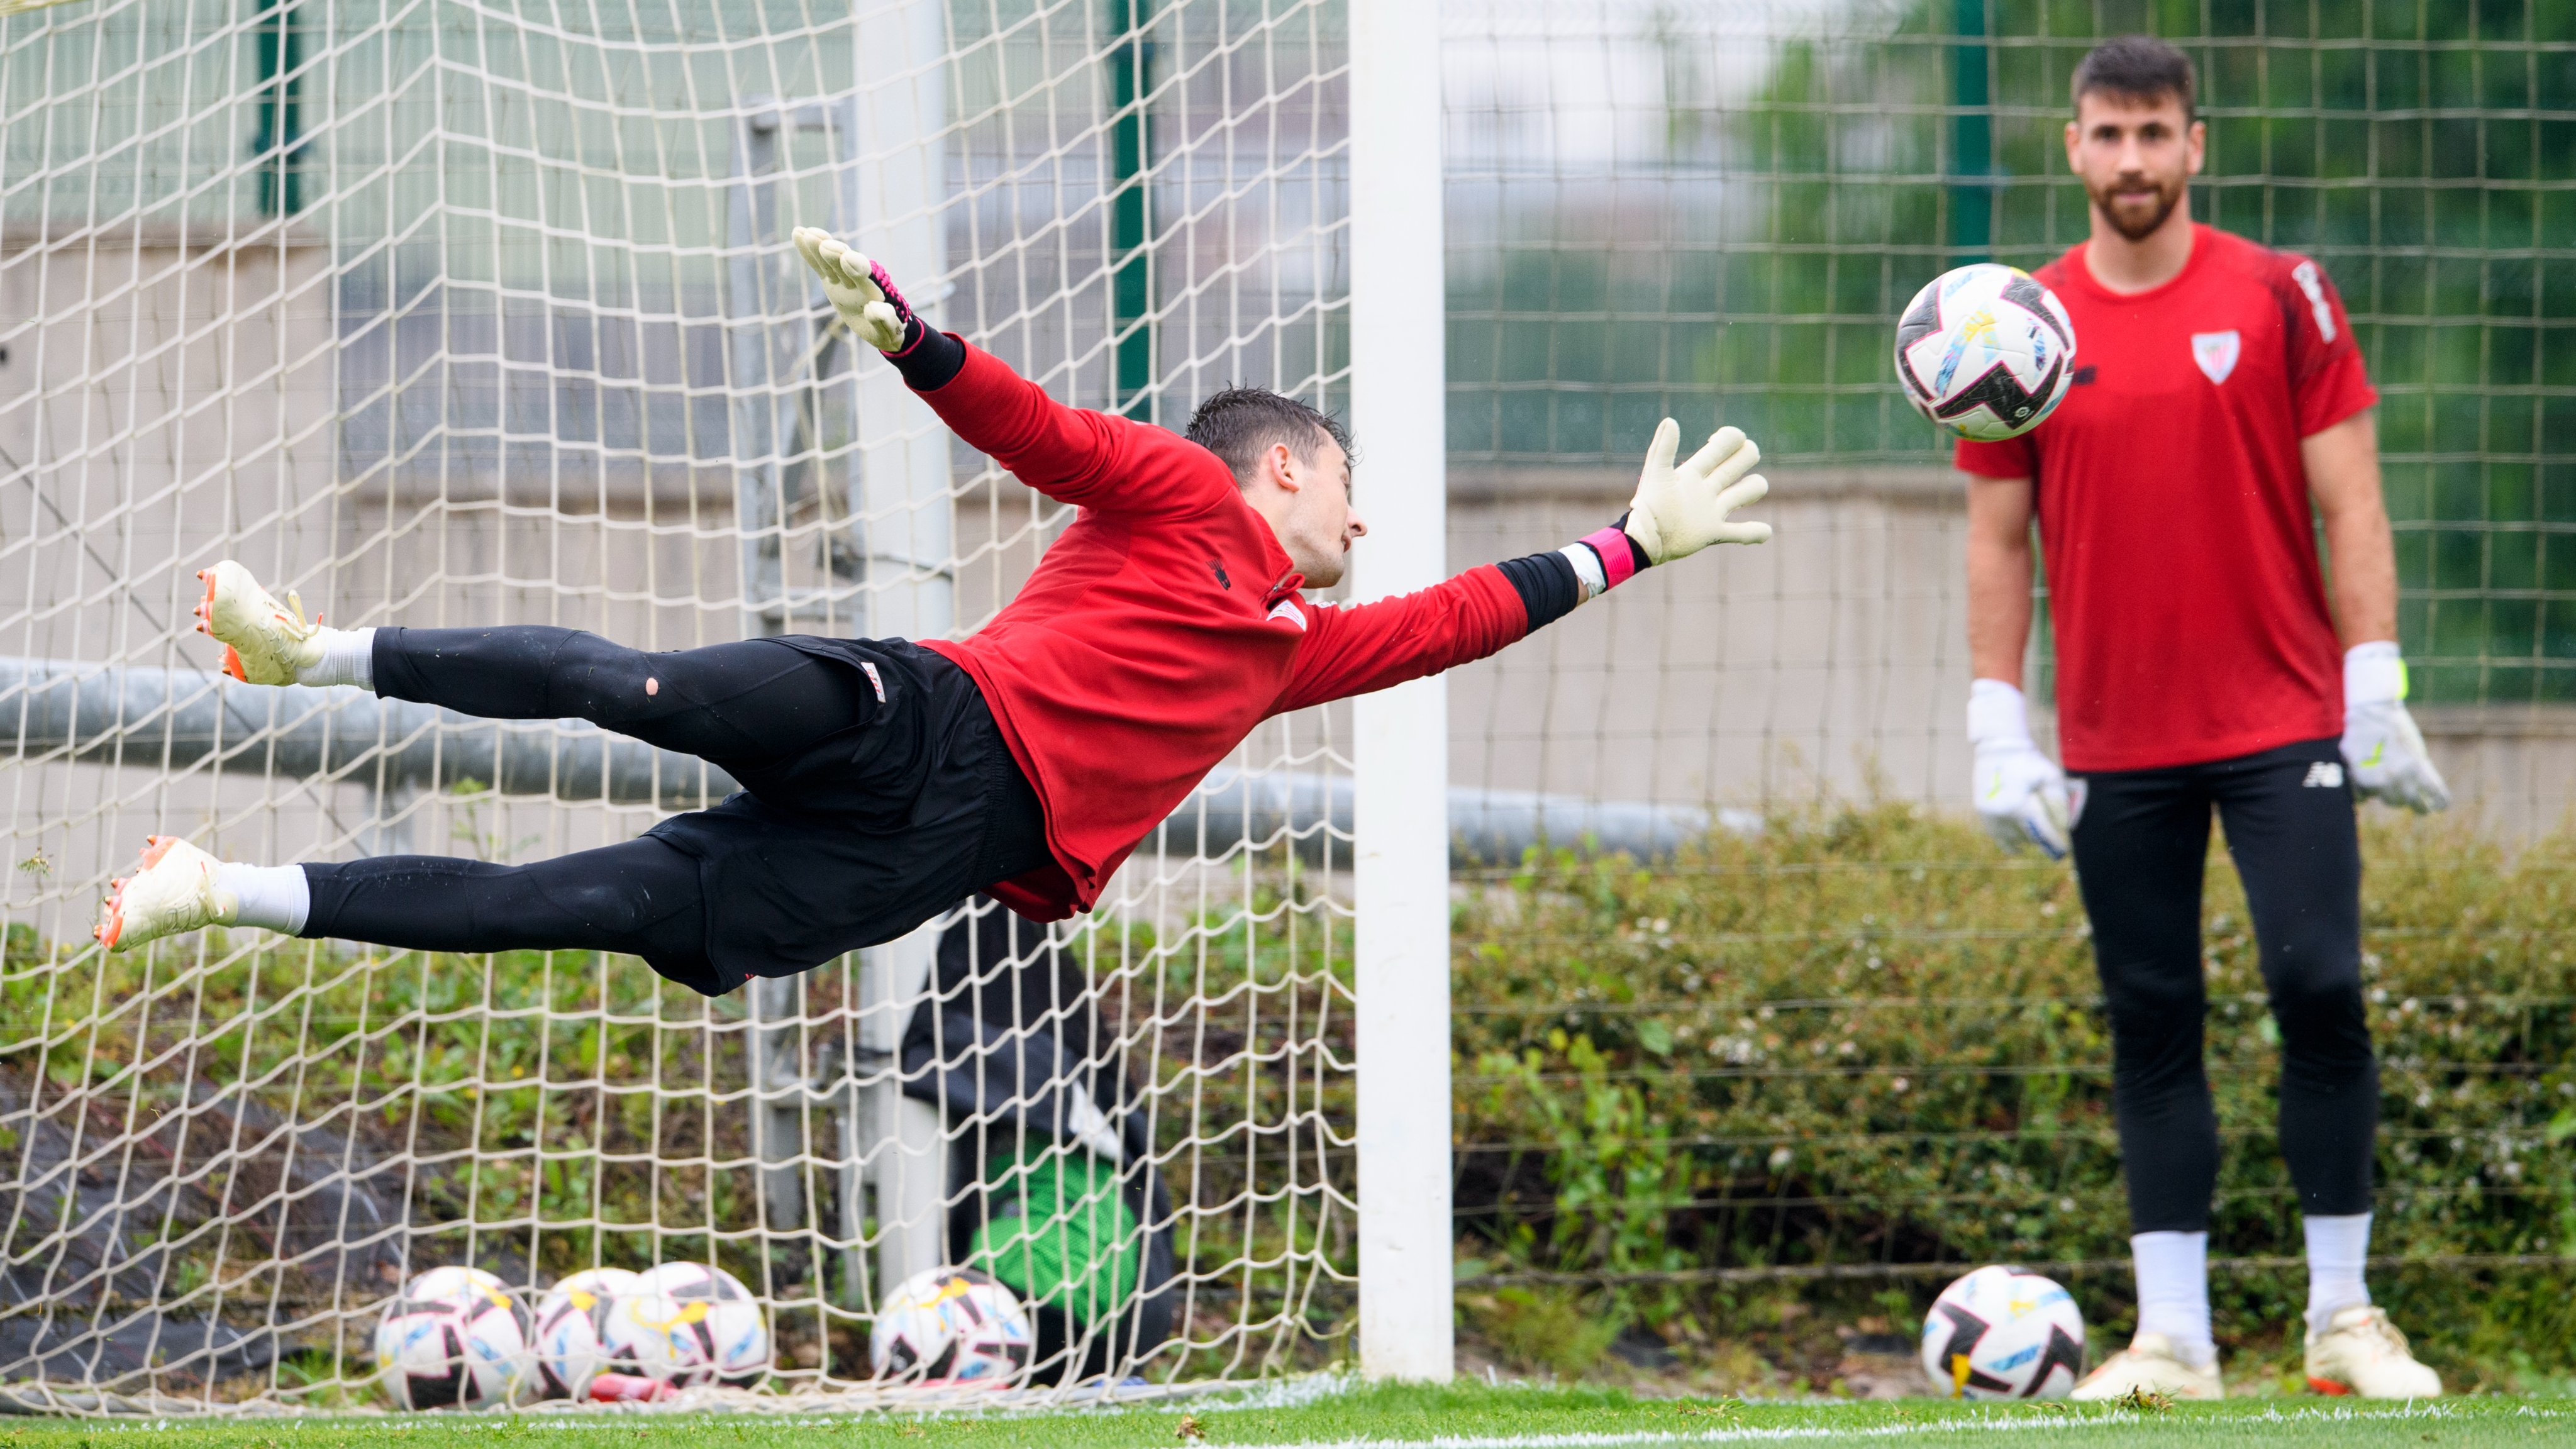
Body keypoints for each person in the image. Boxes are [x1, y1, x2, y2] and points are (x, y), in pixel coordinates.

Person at [94, 226, 1775, 997]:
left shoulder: (1288, 655)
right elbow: (1037, 427)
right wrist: (913, 341)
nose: (1364, 519)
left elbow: (1460, 618)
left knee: (575, 904)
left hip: (930, 858)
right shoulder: (1180, 495)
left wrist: (1629, 543)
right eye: (1343, 485)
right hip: (927, 711)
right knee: (642, 687)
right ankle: (312, 651)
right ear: (1276, 474)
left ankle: (216, 888)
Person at [1958, 36, 2447, 1401]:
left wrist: (2373, 678)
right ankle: (2171, 1340)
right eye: (2105, 135)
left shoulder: (2280, 292)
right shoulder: (2018, 328)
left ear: (2193, 144)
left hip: (2284, 719)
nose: (2129, 161)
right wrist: (1997, 717)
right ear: (2071, 148)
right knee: (2150, 1015)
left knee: (2319, 988)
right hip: (2114, 738)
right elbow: (1996, 539)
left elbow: (2349, 498)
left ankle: (2344, 1322)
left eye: (2152, 134)